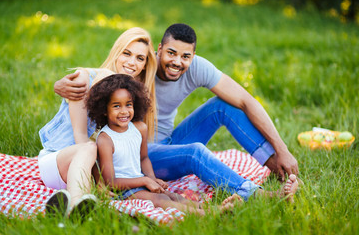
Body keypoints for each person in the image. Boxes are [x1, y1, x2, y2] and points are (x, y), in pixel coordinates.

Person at [54, 23, 299, 202]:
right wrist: (62, 83)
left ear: (193, 56)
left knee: (223, 106)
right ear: (159, 50)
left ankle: (276, 167)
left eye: (185, 56)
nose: (177, 61)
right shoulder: (140, 65)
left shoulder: (196, 67)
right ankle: (254, 194)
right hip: (140, 155)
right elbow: (104, 73)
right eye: (171, 53)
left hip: (170, 144)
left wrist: (282, 149)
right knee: (195, 153)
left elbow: (246, 100)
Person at [39, 27, 157, 217]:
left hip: (87, 176)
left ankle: (78, 209)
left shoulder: (129, 96)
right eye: (126, 53)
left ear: (144, 65)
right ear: (116, 53)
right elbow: (80, 138)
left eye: (140, 58)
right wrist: (100, 182)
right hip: (59, 162)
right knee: (89, 147)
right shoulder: (84, 78)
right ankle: (76, 201)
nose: (131, 62)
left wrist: (147, 181)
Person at [86, 74, 245, 215]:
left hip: (141, 180)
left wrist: (152, 178)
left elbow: (144, 159)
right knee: (160, 201)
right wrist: (144, 181)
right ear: (104, 110)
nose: (124, 111)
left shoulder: (139, 128)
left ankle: (210, 208)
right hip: (122, 190)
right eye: (116, 106)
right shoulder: (106, 139)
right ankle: (211, 215)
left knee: (172, 195)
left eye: (128, 104)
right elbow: (110, 181)